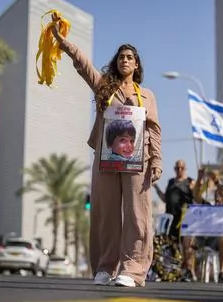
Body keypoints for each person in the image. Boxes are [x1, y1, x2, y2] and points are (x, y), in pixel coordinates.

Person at [52, 18, 162, 287]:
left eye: (130, 57)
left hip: (138, 160)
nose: (125, 60)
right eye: (121, 57)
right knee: (105, 213)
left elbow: (154, 129)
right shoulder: (104, 86)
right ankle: (105, 267)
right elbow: (83, 66)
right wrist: (63, 42)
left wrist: (157, 160)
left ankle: (133, 269)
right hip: (107, 158)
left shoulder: (146, 94)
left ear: (136, 65)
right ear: (117, 62)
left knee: (138, 214)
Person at [154, 160, 196, 281]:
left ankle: (190, 270)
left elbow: (196, 196)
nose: (179, 170)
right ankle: (175, 271)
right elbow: (165, 199)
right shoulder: (171, 182)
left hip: (184, 218)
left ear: (185, 168)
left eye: (182, 168)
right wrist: (156, 186)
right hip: (170, 218)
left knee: (187, 246)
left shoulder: (190, 182)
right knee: (172, 245)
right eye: (177, 168)